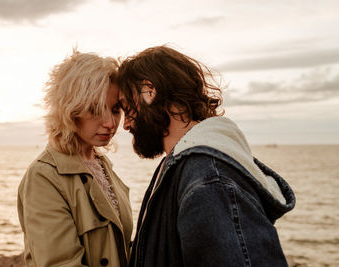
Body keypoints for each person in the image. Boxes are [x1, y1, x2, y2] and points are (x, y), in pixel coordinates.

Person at [116, 46, 296, 267]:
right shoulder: (181, 167)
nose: (125, 124)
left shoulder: (208, 177)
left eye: (127, 107)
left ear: (148, 91)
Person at [17, 50, 133, 267]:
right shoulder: (44, 177)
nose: (110, 122)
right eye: (95, 109)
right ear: (70, 109)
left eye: (116, 109)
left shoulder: (102, 166)